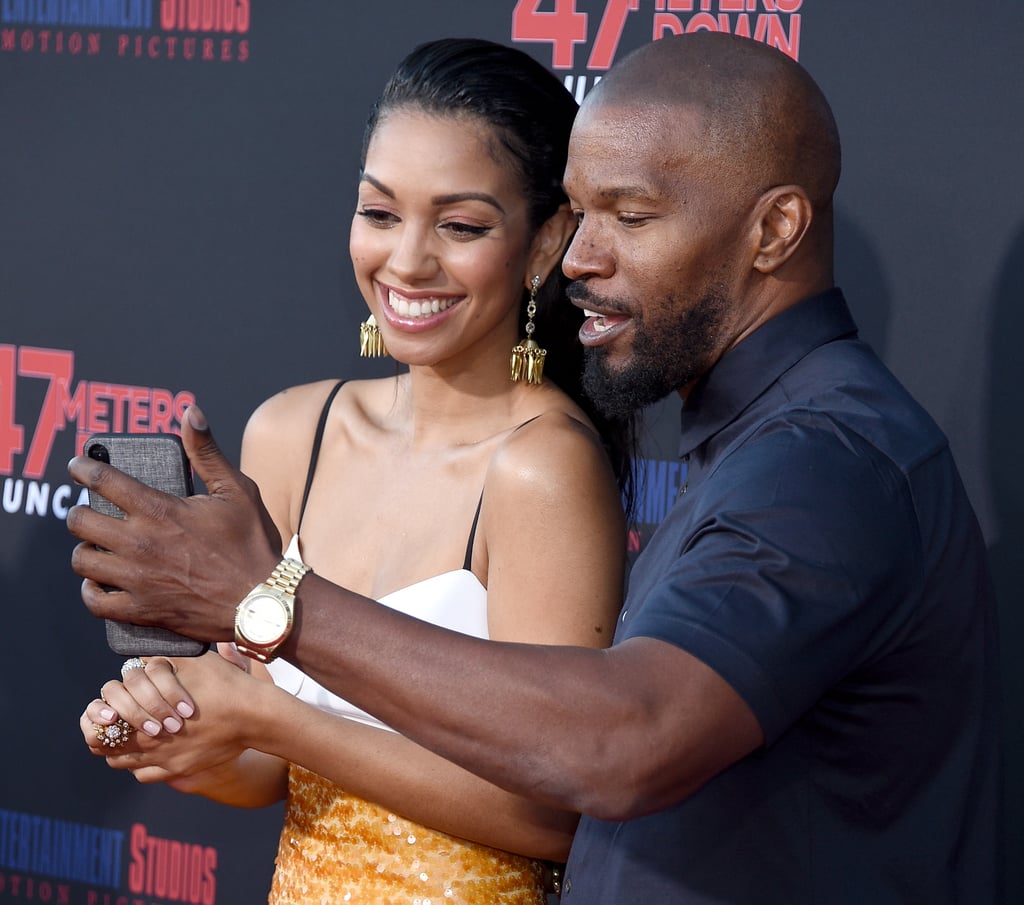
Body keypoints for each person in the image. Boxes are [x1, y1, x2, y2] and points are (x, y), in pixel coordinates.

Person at [69, 31, 1001, 903]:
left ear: (774, 230)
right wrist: (206, 727)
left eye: (629, 217)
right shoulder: (763, 442)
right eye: (583, 215)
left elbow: (617, 745)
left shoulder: (822, 461)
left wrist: (269, 604)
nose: (583, 260)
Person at [76, 38, 636, 905]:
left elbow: (554, 813)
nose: (407, 261)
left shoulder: (542, 470)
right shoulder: (293, 430)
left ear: (544, 242)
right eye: (380, 213)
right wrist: (179, 729)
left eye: (460, 225)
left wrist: (272, 717)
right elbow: (268, 772)